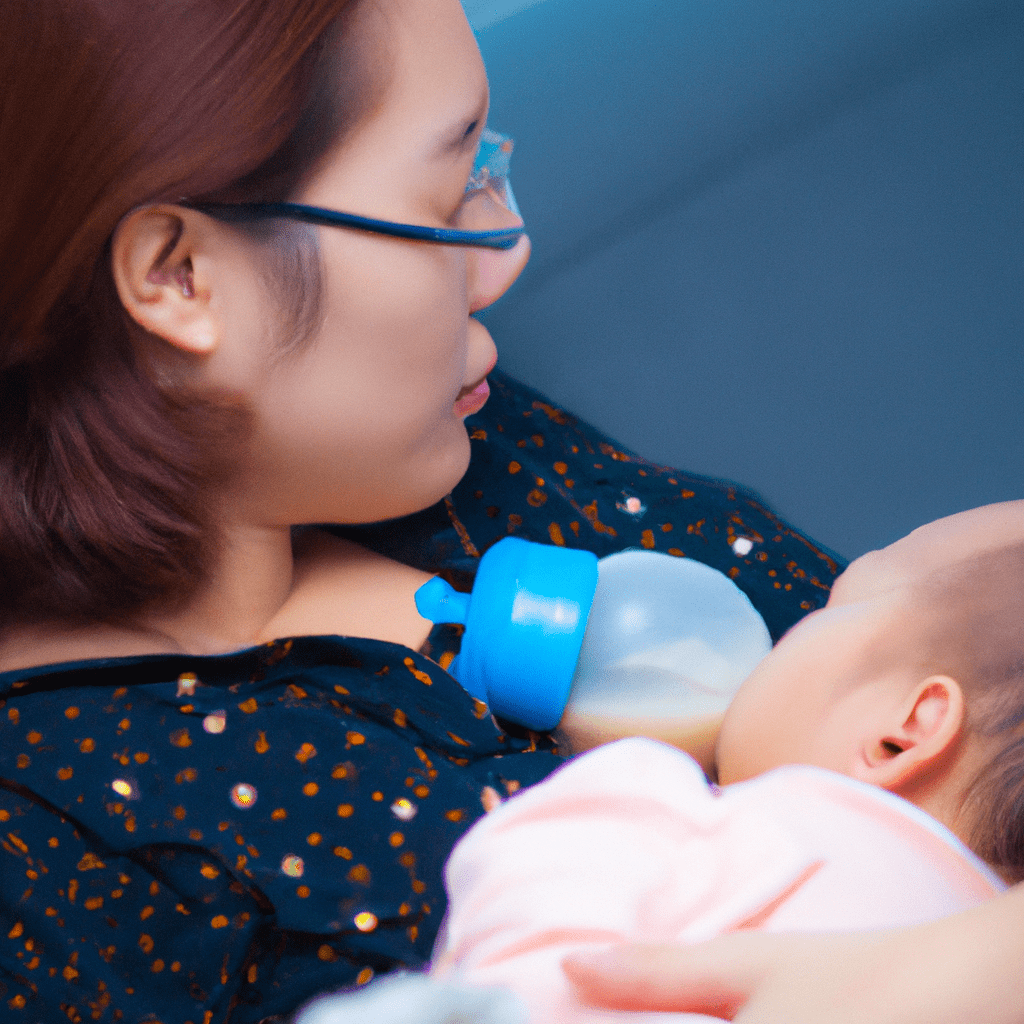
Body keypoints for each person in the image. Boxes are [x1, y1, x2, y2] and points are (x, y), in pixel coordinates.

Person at [0, 1, 840, 1021]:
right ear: (180, 276)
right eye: (447, 194)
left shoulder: (458, 445)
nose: (504, 250)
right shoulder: (52, 858)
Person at [418, 501, 1024, 1023]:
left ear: (903, 734)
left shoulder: (668, 806)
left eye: (826, 609)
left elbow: (526, 966)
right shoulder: (979, 972)